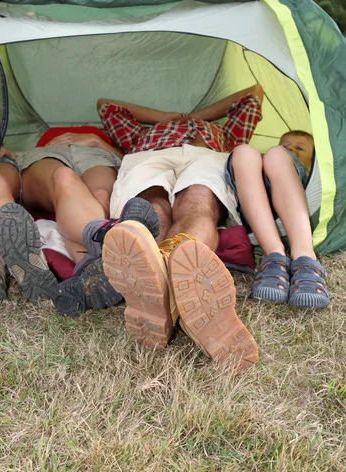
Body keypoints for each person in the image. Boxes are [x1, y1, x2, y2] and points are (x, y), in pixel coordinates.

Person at [93, 85, 264, 369]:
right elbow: (106, 105)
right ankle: (176, 291)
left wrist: (197, 117)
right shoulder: (140, 134)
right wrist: (169, 117)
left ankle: (163, 289)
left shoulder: (226, 134)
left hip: (206, 154)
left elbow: (253, 94)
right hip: (150, 155)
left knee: (199, 202)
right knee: (152, 206)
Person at [0, 132, 139, 308]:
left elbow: (136, 160)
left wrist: (96, 140)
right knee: (59, 177)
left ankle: (91, 267)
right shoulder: (44, 135)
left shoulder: (105, 138)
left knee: (101, 196)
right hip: (46, 155)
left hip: (96, 155)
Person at [224, 130, 330, 309]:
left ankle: (304, 255)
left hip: (288, 182)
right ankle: (274, 254)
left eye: (299, 148)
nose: (290, 148)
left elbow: (282, 155)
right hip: (252, 192)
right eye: (286, 145)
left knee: (276, 155)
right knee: (244, 152)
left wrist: (283, 153)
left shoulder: (289, 162)